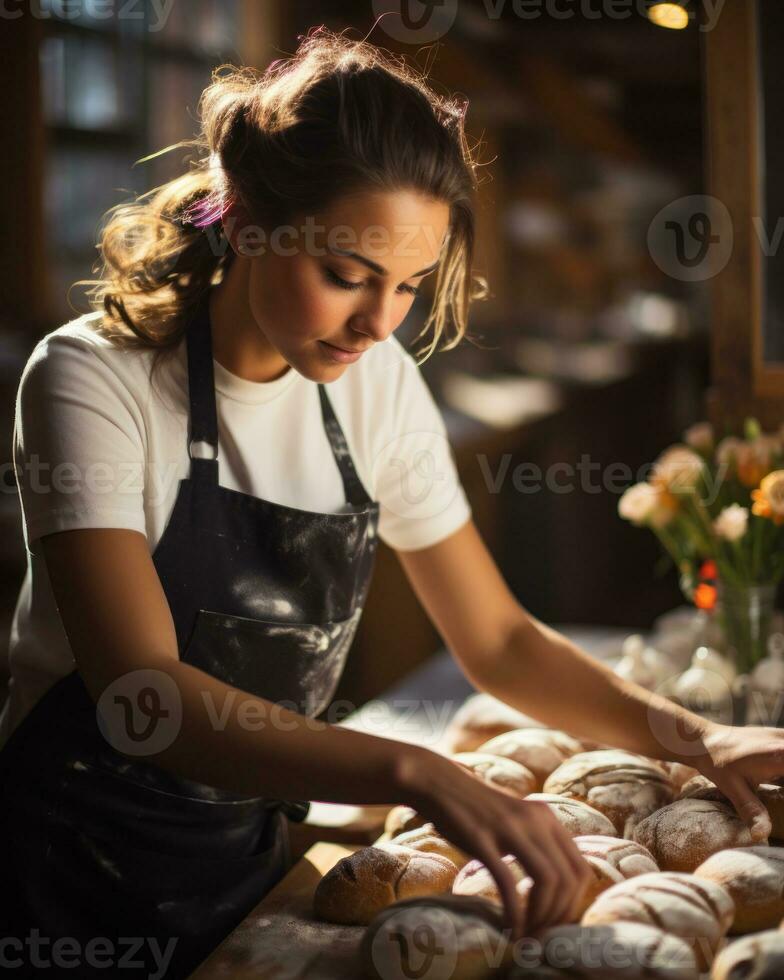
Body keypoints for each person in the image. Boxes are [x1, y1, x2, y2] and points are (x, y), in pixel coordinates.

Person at [1, 25, 782, 980]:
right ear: (246, 223)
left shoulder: (373, 388)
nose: (377, 323)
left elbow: (496, 641)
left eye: (408, 286)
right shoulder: (92, 378)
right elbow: (141, 692)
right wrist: (413, 769)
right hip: (65, 880)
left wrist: (699, 738)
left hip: (249, 862)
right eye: (346, 276)